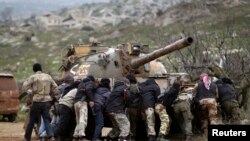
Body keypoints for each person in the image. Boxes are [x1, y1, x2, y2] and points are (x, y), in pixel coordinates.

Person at [22, 63, 58, 141]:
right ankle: (51, 136)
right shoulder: (48, 76)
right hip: (46, 101)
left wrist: (30, 91)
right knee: (46, 119)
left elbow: (25, 86)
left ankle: (27, 137)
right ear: (41, 69)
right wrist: (51, 94)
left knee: (32, 120)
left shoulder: (33, 77)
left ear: (34, 70)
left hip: (37, 100)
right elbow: (55, 86)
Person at [73, 75, 96, 141]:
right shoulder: (90, 83)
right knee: (83, 119)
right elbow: (88, 89)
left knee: (78, 121)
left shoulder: (81, 83)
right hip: (82, 102)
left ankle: (75, 135)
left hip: (76, 103)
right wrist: (91, 100)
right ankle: (81, 136)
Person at [125, 74, 141, 141]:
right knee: (134, 122)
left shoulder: (126, 87)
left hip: (127, 107)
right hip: (134, 107)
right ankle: (133, 136)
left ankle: (128, 136)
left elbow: (126, 97)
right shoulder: (138, 87)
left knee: (127, 122)